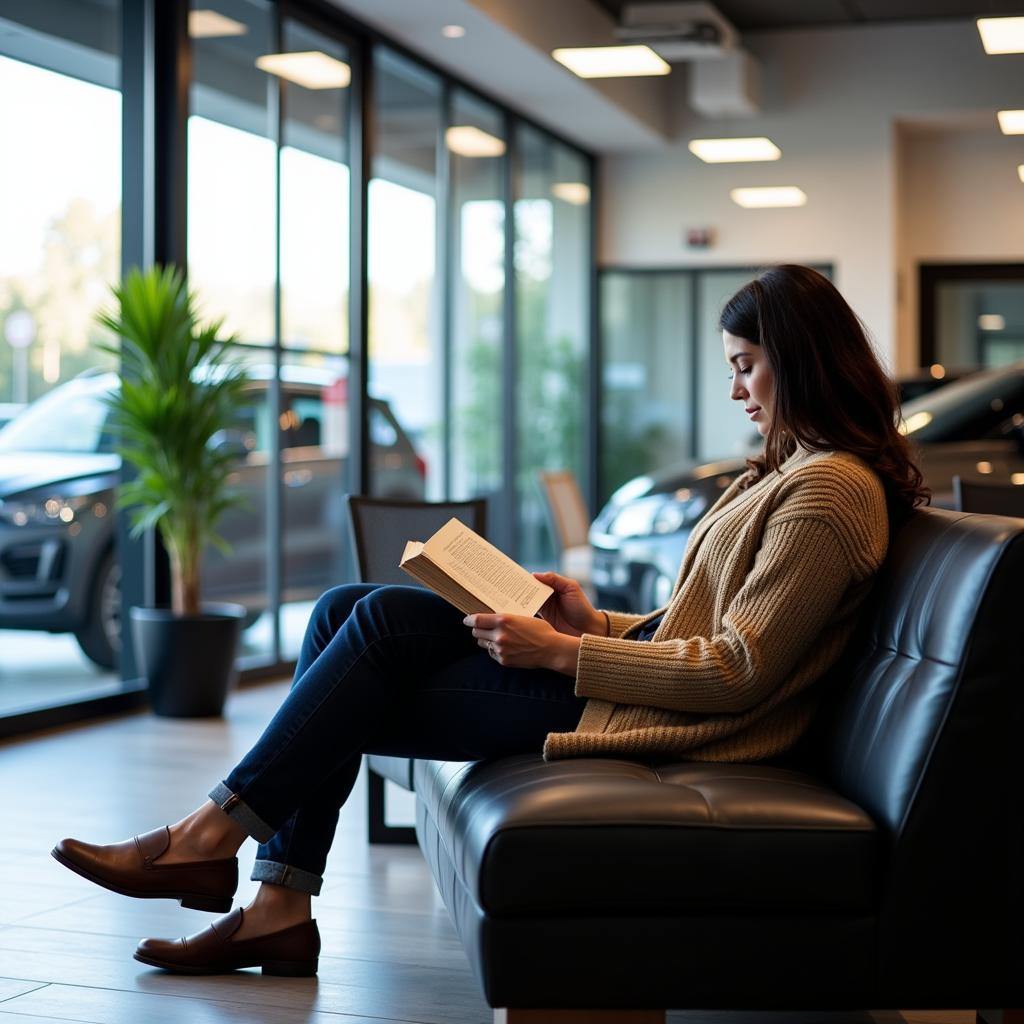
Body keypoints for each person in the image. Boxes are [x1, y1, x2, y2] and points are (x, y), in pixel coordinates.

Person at [52, 264, 928, 976]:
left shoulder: (827, 492)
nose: (737, 387)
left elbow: (738, 671)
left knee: (382, 626)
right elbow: (695, 628)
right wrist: (592, 619)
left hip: (664, 724)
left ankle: (210, 841)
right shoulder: (795, 474)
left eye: (746, 363)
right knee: (344, 610)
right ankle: (273, 906)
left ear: (800, 357)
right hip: (640, 693)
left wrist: (562, 652)